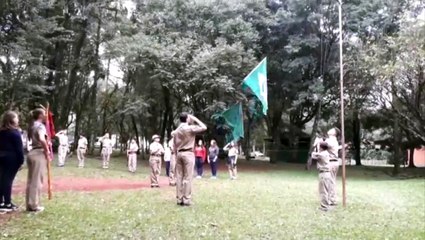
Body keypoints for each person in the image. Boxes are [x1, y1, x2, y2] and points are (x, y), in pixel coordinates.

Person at [172, 113, 207, 206]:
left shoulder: (176, 131)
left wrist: (176, 154)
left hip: (179, 153)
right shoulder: (190, 128)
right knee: (188, 177)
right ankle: (186, 199)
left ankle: (179, 199)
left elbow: (174, 145)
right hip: (188, 153)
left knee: (179, 177)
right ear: (187, 119)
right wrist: (195, 118)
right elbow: (204, 127)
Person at [26, 108, 51, 212]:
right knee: (37, 181)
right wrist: (47, 150)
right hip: (38, 153)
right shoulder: (40, 126)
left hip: (31, 153)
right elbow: (41, 139)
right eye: (44, 113)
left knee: (31, 180)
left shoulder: (32, 125)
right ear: (40, 115)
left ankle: (30, 203)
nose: (46, 115)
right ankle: (34, 205)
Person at [0, 111, 24, 212]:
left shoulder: (1, 132)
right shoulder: (15, 133)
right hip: (11, 158)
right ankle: (7, 203)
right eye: (16, 118)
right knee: (8, 180)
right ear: (12, 120)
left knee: (2, 179)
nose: (17, 120)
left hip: (1, 157)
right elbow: (19, 149)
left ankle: (1, 201)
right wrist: (21, 161)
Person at [311, 141, 333, 211]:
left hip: (323, 173)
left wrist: (314, 147)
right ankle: (327, 204)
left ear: (321, 147)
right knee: (327, 189)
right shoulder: (326, 153)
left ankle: (324, 207)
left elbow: (312, 155)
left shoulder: (321, 154)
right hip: (327, 173)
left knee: (323, 190)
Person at [325, 127, 341, 206]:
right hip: (334, 162)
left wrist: (319, 141)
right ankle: (331, 198)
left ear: (334, 133)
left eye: (332, 129)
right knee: (331, 180)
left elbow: (324, 145)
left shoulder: (331, 140)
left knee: (330, 181)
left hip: (331, 162)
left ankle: (332, 199)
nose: (329, 130)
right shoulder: (333, 140)